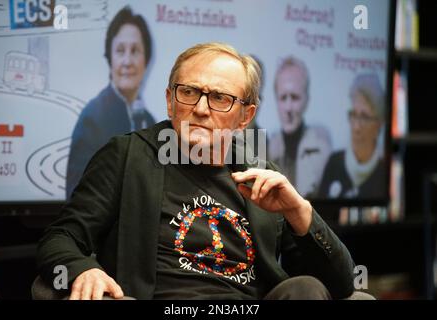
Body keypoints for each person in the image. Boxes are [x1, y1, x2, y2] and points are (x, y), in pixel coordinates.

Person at [37, 42, 355, 300]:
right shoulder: (127, 156)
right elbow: (60, 238)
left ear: (245, 117)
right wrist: (83, 269)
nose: (201, 109)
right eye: (189, 92)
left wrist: (300, 213)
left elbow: (341, 286)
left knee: (306, 290)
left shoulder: (261, 176)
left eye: (219, 98)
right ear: (170, 100)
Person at [66, 6, 156, 198]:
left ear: (146, 60)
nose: (127, 61)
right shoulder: (93, 117)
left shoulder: (150, 121)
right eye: (120, 51)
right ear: (110, 58)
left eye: (135, 51)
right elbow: (77, 196)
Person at [269, 56, 332, 198]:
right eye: (283, 97)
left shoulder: (321, 144)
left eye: (295, 97)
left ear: (307, 100)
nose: (288, 107)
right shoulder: (268, 146)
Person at [318, 73, 385, 199]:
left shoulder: (384, 170)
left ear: (379, 124)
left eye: (364, 117)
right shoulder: (334, 162)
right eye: (354, 115)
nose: (356, 126)